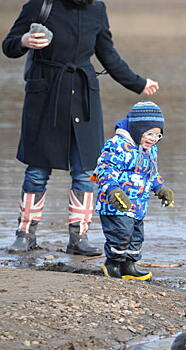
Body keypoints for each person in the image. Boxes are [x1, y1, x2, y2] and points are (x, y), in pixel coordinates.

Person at [2, 0, 160, 256]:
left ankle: (79, 238)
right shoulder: (40, 5)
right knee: (37, 172)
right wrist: (24, 42)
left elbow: (108, 55)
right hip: (45, 96)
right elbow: (8, 46)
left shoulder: (97, 9)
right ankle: (25, 234)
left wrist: (138, 83)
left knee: (86, 172)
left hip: (84, 98)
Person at [93, 101, 174, 280]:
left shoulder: (150, 150)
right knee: (121, 233)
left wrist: (160, 187)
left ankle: (129, 265)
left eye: (158, 135)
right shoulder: (117, 145)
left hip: (138, 204)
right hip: (116, 203)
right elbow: (104, 169)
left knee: (136, 236)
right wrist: (113, 190)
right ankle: (113, 263)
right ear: (138, 130)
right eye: (149, 133)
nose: (153, 138)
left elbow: (152, 173)